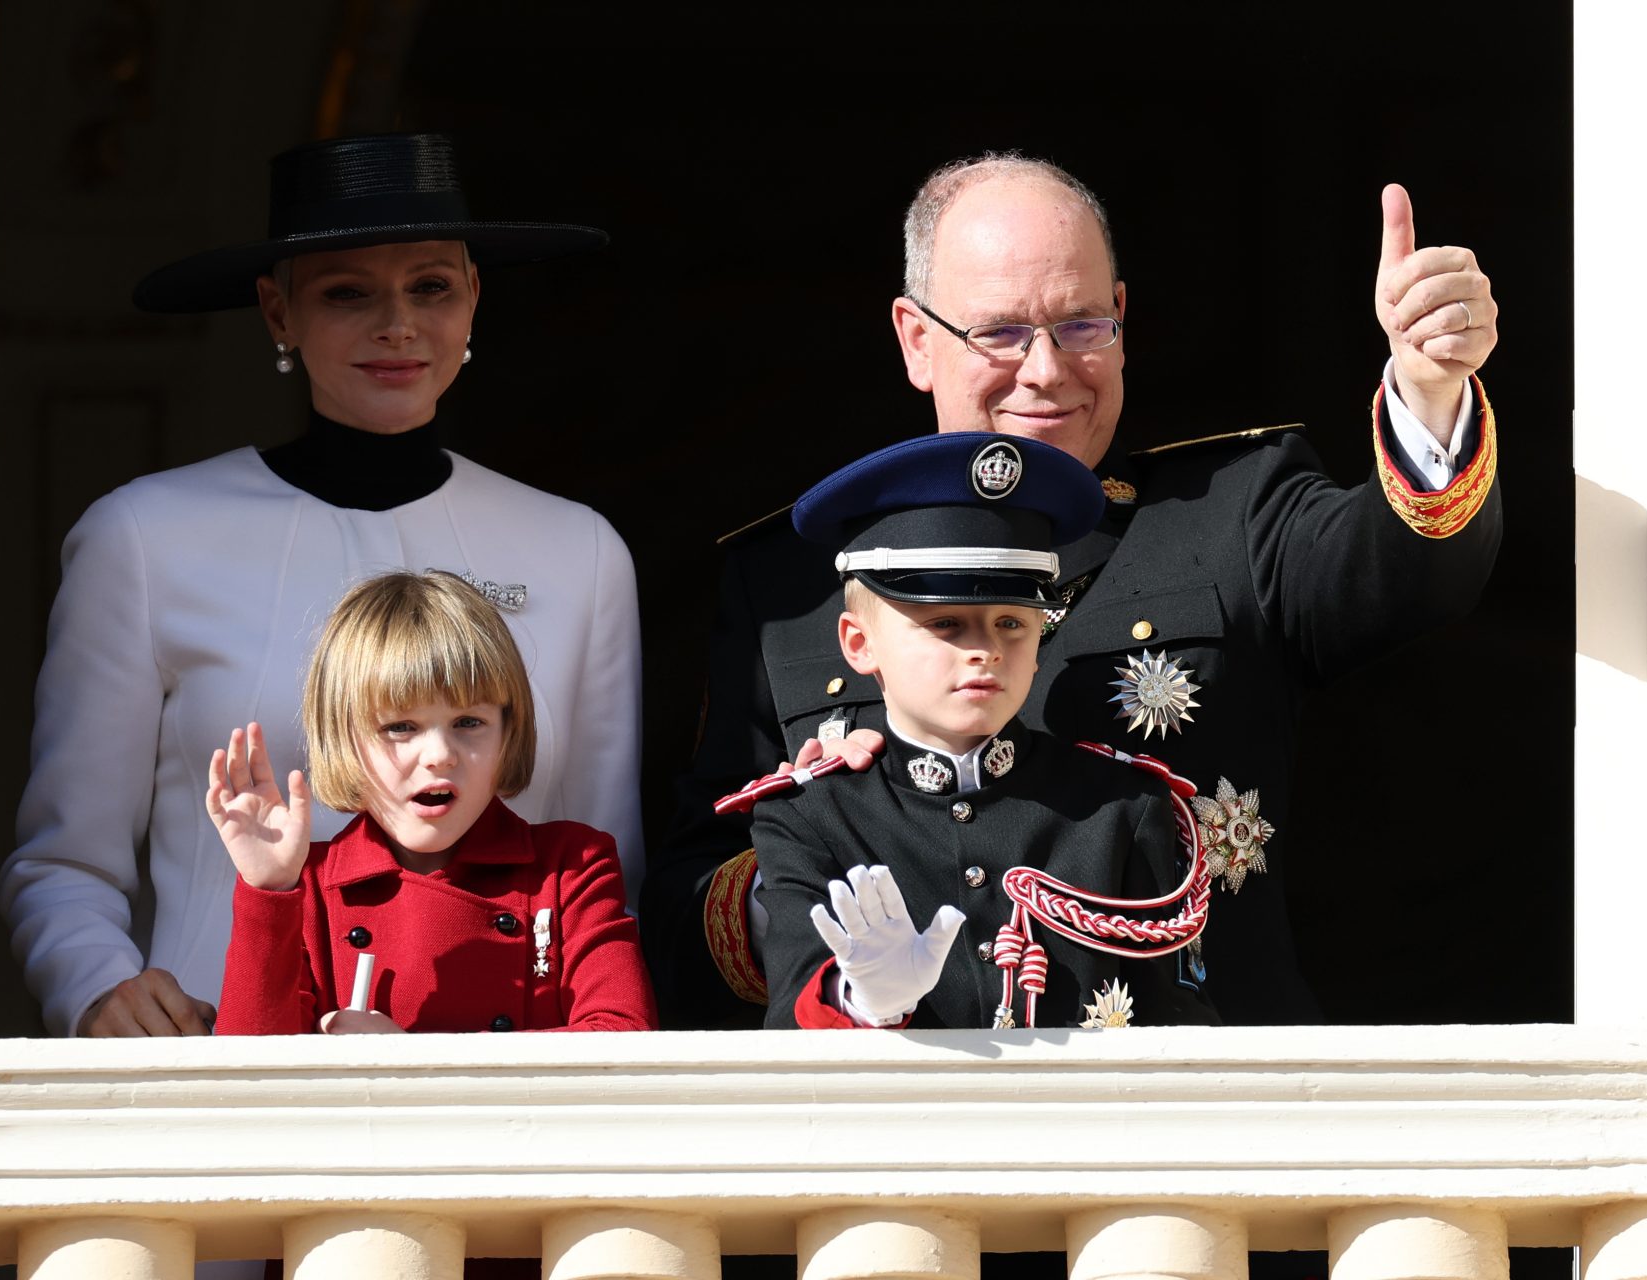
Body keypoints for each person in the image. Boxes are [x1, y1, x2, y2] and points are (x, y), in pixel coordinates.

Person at [643, 151, 1500, 1030]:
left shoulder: (1232, 511)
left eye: (1083, 325)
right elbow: (682, 913)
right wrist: (828, 874)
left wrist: (1429, 393)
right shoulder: (797, 582)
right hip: (903, 1122)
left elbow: (1409, 575)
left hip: (1205, 1108)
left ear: (1123, 316)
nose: (1047, 370)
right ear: (915, 339)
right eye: (1001, 332)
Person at [2, 133, 644, 1039]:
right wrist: (99, 986)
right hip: (216, 1061)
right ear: (277, 312)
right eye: (348, 293)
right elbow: (63, 863)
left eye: (431, 286)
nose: (398, 324)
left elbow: (605, 862)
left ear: (474, 299)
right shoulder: (142, 535)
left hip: (501, 1094)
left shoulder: (577, 549)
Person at [751, 432, 1215, 1032]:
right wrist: (862, 1001)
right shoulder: (811, 816)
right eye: (945, 623)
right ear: (859, 645)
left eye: (1011, 623)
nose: (985, 651)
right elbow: (789, 1026)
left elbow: (1181, 1028)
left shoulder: (1120, 806)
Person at [210, 571, 655, 1037]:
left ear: (509, 730)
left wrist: (412, 1063)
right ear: (342, 738)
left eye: (468, 721)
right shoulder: (308, 889)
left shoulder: (571, 867)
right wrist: (269, 893)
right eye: (401, 727)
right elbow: (249, 1081)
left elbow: (621, 1037)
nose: (441, 755)